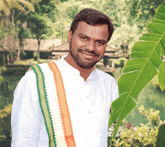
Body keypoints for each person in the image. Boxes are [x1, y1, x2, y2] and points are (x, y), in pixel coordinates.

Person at [11, 8, 119, 147]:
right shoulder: (36, 80)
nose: (91, 48)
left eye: (100, 42)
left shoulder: (109, 84)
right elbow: (23, 141)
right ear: (70, 36)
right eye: (84, 38)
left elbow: (107, 136)